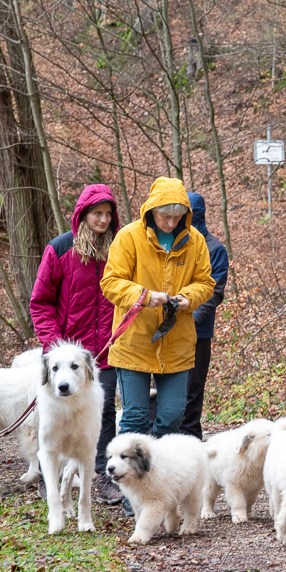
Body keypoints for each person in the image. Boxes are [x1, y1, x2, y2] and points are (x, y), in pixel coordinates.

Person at [100, 175, 214, 441]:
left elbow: (205, 282)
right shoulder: (128, 237)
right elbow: (110, 282)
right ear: (152, 211)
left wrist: (188, 297)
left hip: (176, 343)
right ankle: (128, 479)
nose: (171, 223)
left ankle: (157, 474)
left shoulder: (195, 240)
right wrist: (143, 296)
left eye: (177, 218)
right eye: (166, 217)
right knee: (135, 416)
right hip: (134, 341)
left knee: (173, 415)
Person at [30, 184, 122, 505]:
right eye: (97, 213)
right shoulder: (59, 250)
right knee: (55, 414)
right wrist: (55, 347)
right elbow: (40, 303)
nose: (103, 220)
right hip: (66, 354)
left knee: (104, 411)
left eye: (108, 214)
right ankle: (48, 473)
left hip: (105, 352)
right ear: (83, 214)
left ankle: (101, 476)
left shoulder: (119, 249)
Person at [179, 191, 229, 440]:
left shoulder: (214, 249)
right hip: (169, 330)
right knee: (163, 388)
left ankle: (191, 440)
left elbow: (214, 292)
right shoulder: (173, 245)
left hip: (199, 332)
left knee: (192, 389)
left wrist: (188, 319)